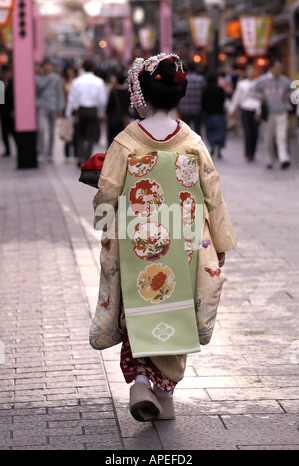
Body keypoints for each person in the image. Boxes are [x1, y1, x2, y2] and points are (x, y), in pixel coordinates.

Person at [88, 53, 237, 422]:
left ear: (142, 95)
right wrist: (219, 243)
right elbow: (212, 196)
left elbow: (107, 193)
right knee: (178, 311)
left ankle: (141, 382)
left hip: (137, 243)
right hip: (186, 245)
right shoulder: (192, 141)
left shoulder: (126, 142)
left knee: (137, 308)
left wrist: (109, 235)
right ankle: (163, 395)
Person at [250, 59, 292, 169]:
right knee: (268, 138)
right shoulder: (263, 80)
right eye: (277, 67)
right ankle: (269, 160)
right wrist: (259, 96)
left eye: (280, 68)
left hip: (281, 112)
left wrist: (289, 96)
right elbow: (252, 91)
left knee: (281, 137)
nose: (279, 70)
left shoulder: (285, 80)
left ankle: (284, 158)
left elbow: (294, 92)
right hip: (268, 114)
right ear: (272, 68)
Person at [65, 59, 107, 166]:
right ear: (93, 68)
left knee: (80, 134)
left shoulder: (77, 81)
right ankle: (86, 156)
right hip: (93, 110)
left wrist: (68, 112)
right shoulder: (99, 81)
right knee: (90, 136)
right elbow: (102, 100)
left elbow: (72, 98)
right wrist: (101, 113)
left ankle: (79, 154)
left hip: (81, 110)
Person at [228, 64, 261, 161]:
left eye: (252, 71)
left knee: (255, 133)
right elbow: (236, 97)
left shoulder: (258, 83)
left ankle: (253, 152)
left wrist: (259, 111)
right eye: (249, 71)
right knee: (248, 132)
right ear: (246, 72)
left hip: (255, 110)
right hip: (245, 109)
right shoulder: (241, 84)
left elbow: (259, 99)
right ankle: (248, 153)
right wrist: (232, 110)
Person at [35, 58, 64, 163]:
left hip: (53, 107)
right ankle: (41, 152)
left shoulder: (56, 78)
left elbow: (59, 93)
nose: (48, 67)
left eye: (49, 65)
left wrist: (60, 107)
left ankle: (50, 153)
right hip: (41, 106)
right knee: (41, 130)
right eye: (46, 65)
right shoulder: (37, 78)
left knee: (52, 133)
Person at [202, 73, 226, 159]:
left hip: (209, 114)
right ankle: (219, 148)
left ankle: (212, 146)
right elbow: (223, 100)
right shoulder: (220, 90)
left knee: (211, 131)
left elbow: (203, 102)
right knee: (220, 131)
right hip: (219, 113)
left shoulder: (206, 90)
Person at [178, 62, 206, 135]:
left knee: (185, 130)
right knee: (197, 129)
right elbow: (204, 94)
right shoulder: (200, 79)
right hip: (197, 108)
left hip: (184, 108)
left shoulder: (183, 79)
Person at [106, 70, 131, 146]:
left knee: (111, 138)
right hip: (123, 118)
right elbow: (129, 104)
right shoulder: (127, 91)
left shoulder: (113, 91)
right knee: (120, 139)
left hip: (113, 117)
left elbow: (109, 105)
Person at [61, 63, 77, 162]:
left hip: (75, 108)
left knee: (75, 132)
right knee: (67, 132)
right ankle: (67, 154)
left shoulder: (77, 81)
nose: (70, 72)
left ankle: (75, 153)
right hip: (67, 108)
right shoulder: (63, 82)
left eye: (71, 69)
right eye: (68, 69)